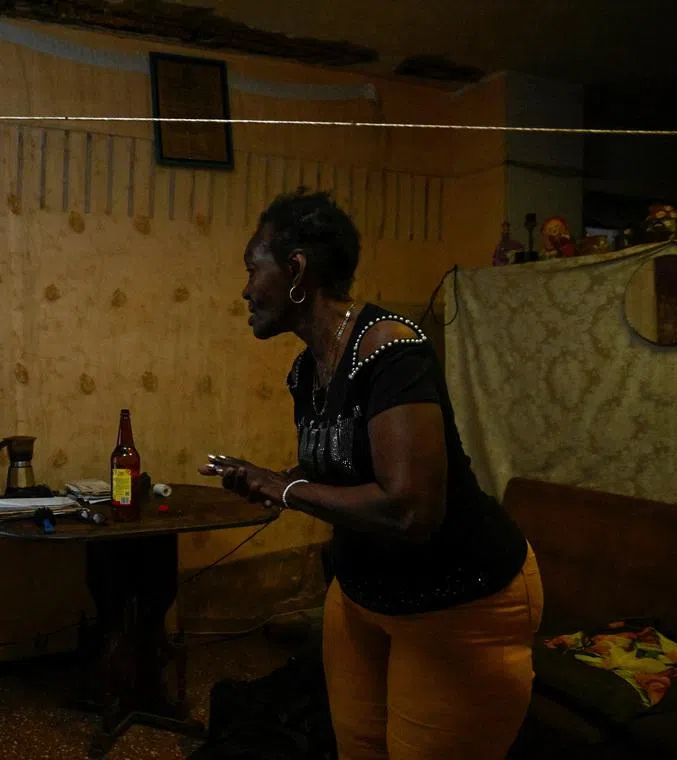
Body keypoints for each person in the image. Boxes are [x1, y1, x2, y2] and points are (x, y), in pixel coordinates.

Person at [200, 188, 543, 760]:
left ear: (296, 270)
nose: (245, 289)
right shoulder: (305, 370)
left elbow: (410, 510)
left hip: (457, 600)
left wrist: (286, 488)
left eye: (251, 269)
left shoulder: (390, 348)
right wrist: (266, 479)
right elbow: (339, 468)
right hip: (362, 597)